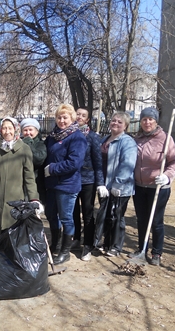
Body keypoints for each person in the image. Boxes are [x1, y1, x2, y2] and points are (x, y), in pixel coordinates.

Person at [0, 116, 41, 244]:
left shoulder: (24, 149)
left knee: (12, 239)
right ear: (0, 130)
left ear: (15, 129)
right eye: (4, 128)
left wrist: (34, 199)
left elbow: (29, 177)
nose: (7, 131)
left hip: (14, 204)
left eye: (10, 128)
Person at [131, 107, 175, 266]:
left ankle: (157, 252)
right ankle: (142, 249)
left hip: (158, 188)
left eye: (150, 119)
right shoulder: (137, 139)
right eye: (144, 119)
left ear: (156, 121)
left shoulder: (165, 139)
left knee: (156, 221)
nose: (147, 122)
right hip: (139, 186)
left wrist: (167, 176)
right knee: (141, 220)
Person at [44, 104, 87, 265]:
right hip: (52, 184)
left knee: (66, 218)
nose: (62, 121)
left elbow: (74, 162)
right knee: (50, 214)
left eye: (65, 117)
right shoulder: (53, 136)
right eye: (59, 117)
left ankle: (65, 251)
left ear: (72, 118)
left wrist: (53, 169)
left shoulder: (77, 137)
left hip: (67, 185)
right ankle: (54, 243)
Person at [97, 111, 137, 257]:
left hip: (121, 188)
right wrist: (100, 183)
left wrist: (118, 184)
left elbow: (128, 164)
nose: (115, 123)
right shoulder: (104, 140)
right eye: (113, 120)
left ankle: (116, 246)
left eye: (120, 122)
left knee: (117, 216)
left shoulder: (127, 142)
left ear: (125, 126)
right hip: (105, 186)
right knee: (107, 215)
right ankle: (107, 243)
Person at [72, 107, 106, 262]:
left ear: (87, 119)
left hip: (88, 180)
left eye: (83, 115)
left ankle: (88, 245)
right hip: (72, 179)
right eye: (77, 114)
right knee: (73, 212)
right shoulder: (69, 134)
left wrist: (100, 183)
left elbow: (98, 162)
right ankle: (76, 238)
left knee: (87, 212)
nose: (80, 117)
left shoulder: (92, 137)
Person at [20, 118, 47, 203]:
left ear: (37, 131)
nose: (28, 133)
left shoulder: (41, 144)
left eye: (30, 130)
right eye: (25, 130)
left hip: (36, 183)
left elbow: (37, 160)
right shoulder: (19, 143)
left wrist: (28, 143)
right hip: (21, 184)